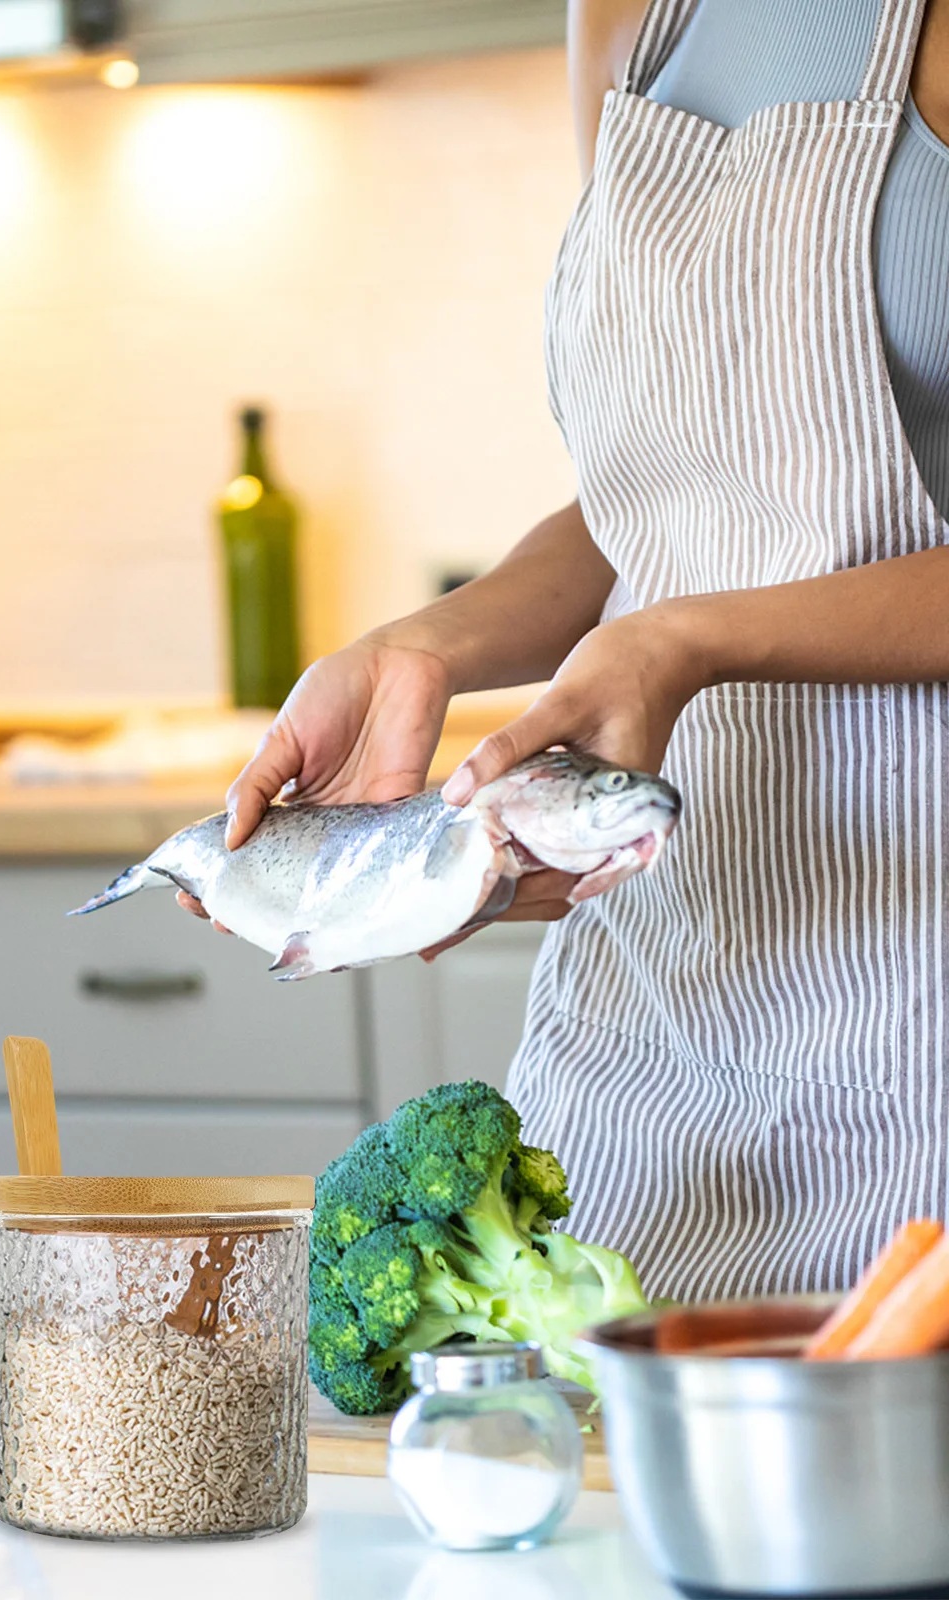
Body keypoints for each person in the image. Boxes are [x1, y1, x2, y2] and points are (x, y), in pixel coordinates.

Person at [185, 0, 949, 1302]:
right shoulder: (626, 22)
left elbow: (683, 594)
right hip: (667, 990)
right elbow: (641, 499)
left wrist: (685, 642)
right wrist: (431, 641)